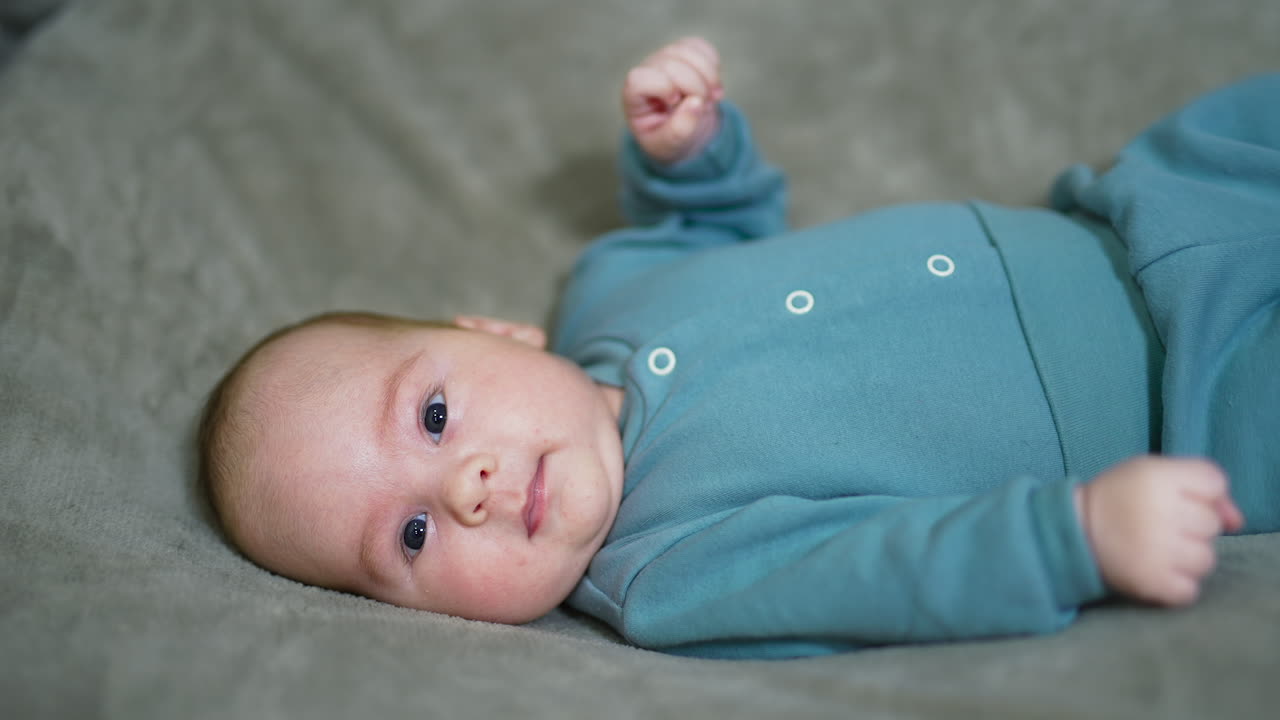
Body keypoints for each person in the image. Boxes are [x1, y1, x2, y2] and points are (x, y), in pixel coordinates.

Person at [199, 37, 1278, 659]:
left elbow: (712, 226)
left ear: (489, 331)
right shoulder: (672, 574)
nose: (463, 487)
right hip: (1200, 395)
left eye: (434, 417)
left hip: (1133, 206)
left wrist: (690, 152)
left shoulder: (606, 291)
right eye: (413, 537)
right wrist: (1075, 537)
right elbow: (883, 571)